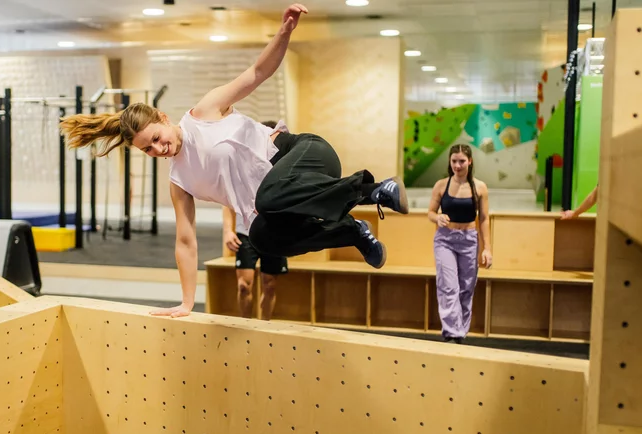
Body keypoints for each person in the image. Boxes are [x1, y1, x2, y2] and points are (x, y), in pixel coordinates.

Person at [59, 3, 409, 318]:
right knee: (263, 237)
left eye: (156, 139)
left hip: (304, 155)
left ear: (164, 118)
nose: (158, 150)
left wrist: (284, 32)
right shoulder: (179, 180)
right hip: (283, 198)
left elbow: (257, 72)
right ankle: (352, 232)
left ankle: (375, 190)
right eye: (147, 150)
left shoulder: (204, 111)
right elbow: (185, 241)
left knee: (268, 199)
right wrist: (185, 302)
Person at [426, 144, 492, 343]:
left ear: (470, 162)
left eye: (461, 161)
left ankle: (459, 331)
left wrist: (487, 248)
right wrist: (437, 218)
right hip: (445, 239)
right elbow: (430, 212)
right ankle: (452, 331)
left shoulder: (479, 187)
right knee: (448, 285)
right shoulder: (441, 185)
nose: (457, 165)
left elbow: (484, 219)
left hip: (469, 239)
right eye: (454, 161)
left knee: (466, 287)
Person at [223, 121, 286, 321]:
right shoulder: (243, 166)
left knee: (270, 284)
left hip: (274, 234)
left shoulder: (284, 167)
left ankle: (264, 328)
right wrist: (228, 230)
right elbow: (227, 200)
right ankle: (245, 327)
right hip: (246, 234)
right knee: (243, 286)